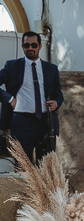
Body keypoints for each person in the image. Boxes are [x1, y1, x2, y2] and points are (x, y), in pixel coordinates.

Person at [0, 32, 63, 163]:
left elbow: (58, 94)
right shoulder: (12, 66)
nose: (30, 48)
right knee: (23, 165)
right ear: (22, 46)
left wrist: (56, 102)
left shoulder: (51, 69)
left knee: (46, 166)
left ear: (40, 46)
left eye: (34, 45)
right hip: (21, 122)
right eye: (26, 45)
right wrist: (9, 99)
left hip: (46, 123)